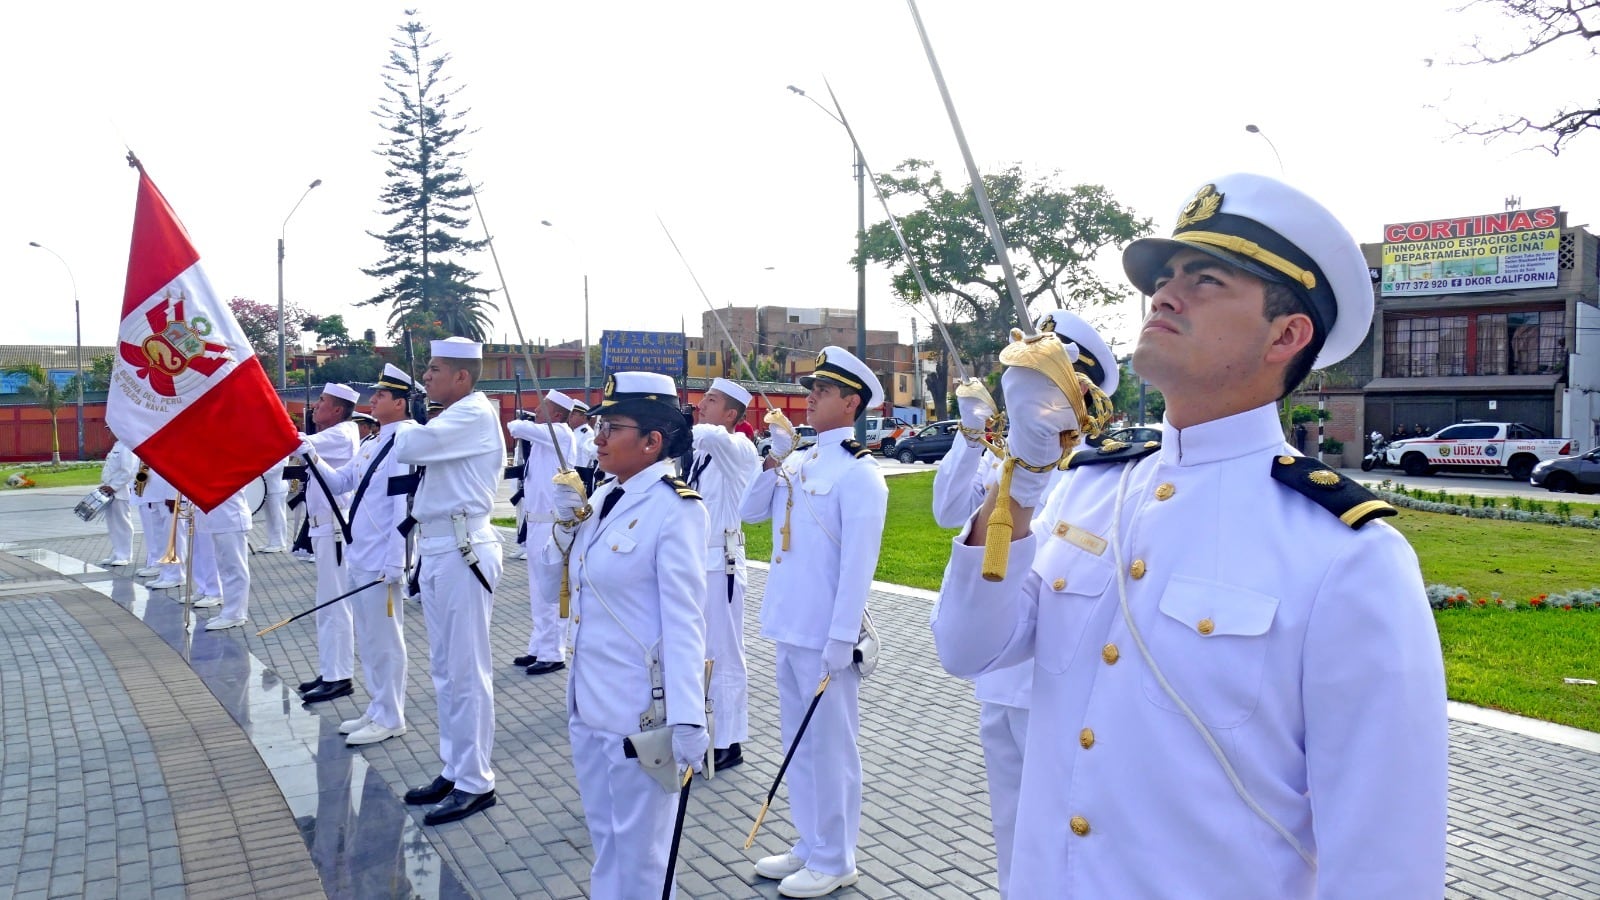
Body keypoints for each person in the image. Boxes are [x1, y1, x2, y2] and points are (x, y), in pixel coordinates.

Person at [931, 174, 1448, 898]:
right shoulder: (1091, 486)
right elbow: (966, 646)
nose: (1165, 294)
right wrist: (1020, 475)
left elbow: (1383, 864)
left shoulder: (1348, 556)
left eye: (1206, 280)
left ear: (1288, 334)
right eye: (1167, 277)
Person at [929, 308, 1118, 899]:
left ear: (1079, 392)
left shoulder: (1101, 472)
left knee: (1067, 838)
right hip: (996, 678)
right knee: (1015, 833)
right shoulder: (1009, 456)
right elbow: (946, 512)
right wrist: (970, 432)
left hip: (1053, 688)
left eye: (1048, 378)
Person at [537, 370, 709, 898]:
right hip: (590, 706)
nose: (598, 438)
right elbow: (551, 590)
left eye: (613, 426)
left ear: (653, 441)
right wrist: (563, 526)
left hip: (642, 716)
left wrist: (688, 718)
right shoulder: (601, 499)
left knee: (643, 858)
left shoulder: (676, 510)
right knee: (607, 842)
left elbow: (685, 622)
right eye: (598, 425)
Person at [740, 346, 886, 899]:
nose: (809, 397)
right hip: (787, 626)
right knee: (799, 745)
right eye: (811, 388)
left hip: (826, 635)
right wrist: (772, 459)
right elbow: (752, 512)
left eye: (822, 391)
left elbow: (858, 567)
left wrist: (841, 636)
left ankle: (836, 856)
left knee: (833, 748)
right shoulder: (799, 462)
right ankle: (809, 842)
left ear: (851, 402)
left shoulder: (860, 475)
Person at [394, 336, 506, 826]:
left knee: (467, 670)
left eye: (435, 370)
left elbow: (410, 446)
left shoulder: (474, 413)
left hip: (464, 548)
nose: (426, 378)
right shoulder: (453, 415)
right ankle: (456, 767)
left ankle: (476, 781)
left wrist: (396, 416)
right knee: (444, 669)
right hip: (440, 546)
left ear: (462, 376)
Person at [304, 363, 415, 746]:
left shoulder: (406, 441)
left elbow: (404, 504)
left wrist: (396, 560)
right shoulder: (373, 442)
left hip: (382, 557)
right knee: (368, 638)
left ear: (400, 403)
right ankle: (378, 706)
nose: (373, 399)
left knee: (386, 639)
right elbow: (339, 483)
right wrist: (312, 457)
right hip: (360, 553)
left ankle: (391, 715)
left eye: (382, 395)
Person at [690, 377, 761, 770]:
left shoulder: (738, 448)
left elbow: (711, 435)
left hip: (724, 566)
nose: (701, 404)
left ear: (731, 414)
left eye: (711, 400)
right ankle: (705, 729)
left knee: (726, 655)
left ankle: (729, 740)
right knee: (700, 653)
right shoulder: (703, 454)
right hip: (699, 564)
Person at [296, 383, 363, 705]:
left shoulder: (342, 432)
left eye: (321, 402)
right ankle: (331, 670)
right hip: (324, 531)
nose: (315, 407)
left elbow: (297, 446)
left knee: (335, 606)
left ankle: (339, 677)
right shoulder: (336, 432)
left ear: (337, 410)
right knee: (328, 606)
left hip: (335, 531)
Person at [506, 389, 578, 676]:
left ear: (557, 414)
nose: (536, 410)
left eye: (543, 407)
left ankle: (553, 652)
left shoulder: (560, 433)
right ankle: (539, 646)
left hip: (552, 525)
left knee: (552, 593)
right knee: (538, 593)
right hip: (536, 524)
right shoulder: (542, 440)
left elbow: (516, 427)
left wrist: (522, 422)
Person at [192, 486, 253, 631]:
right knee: (225, 569)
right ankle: (229, 611)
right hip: (218, 520)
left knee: (234, 569)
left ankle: (235, 614)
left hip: (230, 518)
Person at [97, 432, 138, 567]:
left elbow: (128, 471)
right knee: (113, 524)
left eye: (110, 429)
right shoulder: (117, 445)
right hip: (110, 491)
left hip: (120, 491)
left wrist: (114, 486)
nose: (108, 432)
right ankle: (117, 552)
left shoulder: (126, 446)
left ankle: (125, 555)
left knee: (122, 523)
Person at [260, 452, 292, 553]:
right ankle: (272, 541)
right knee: (270, 517)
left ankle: (280, 543)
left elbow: (279, 467)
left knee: (278, 516)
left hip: (277, 487)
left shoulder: (282, 450)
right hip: (266, 488)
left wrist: (260, 473)